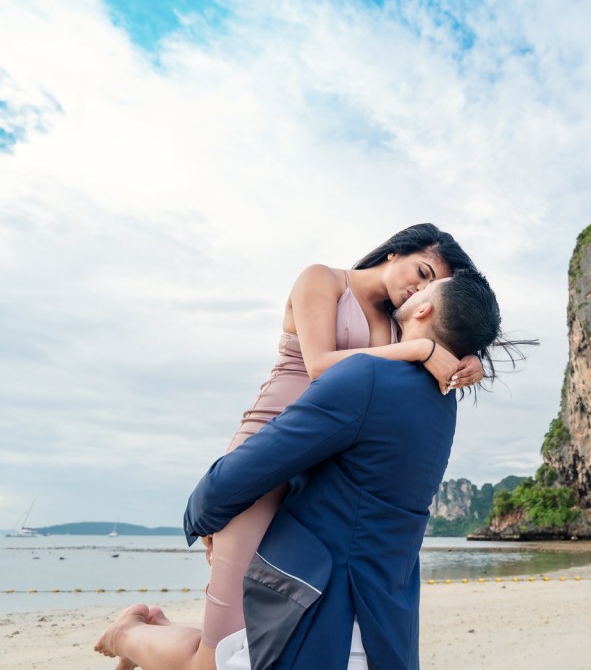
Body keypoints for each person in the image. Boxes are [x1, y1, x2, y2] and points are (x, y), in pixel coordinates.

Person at [96, 224, 484, 670]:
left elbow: (442, 330)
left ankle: (153, 630)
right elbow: (321, 368)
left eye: (431, 285)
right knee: (214, 659)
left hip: (313, 475)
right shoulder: (323, 280)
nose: (419, 287)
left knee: (249, 639)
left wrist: (467, 357)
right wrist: (420, 348)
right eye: (421, 270)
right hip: (265, 452)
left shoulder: (401, 328)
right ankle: (129, 634)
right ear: (396, 252)